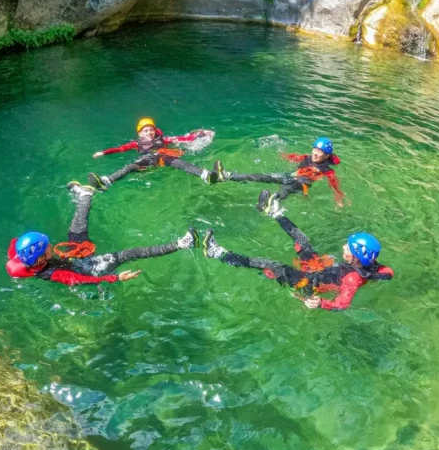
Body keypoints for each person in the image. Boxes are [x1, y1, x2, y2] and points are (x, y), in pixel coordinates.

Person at [202, 192, 392, 310]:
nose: (343, 246)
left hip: (309, 282)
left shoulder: (353, 279)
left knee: (273, 265)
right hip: (321, 269)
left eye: (348, 247)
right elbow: (387, 272)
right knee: (303, 242)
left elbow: (343, 303)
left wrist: (321, 303)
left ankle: (217, 253)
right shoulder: (370, 265)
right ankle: (273, 211)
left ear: (356, 256)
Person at [7, 183, 197, 285]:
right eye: (47, 247)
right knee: (127, 254)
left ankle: (85, 195)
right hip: (89, 268)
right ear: (40, 259)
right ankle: (182, 244)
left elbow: (15, 243)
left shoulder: (23, 258)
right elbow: (80, 279)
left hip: (74, 258)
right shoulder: (55, 274)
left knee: (76, 231)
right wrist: (114, 278)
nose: (50, 245)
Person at [89, 117, 218, 190]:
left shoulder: (164, 140)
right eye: (145, 131)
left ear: (155, 131)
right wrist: (104, 152)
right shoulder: (135, 144)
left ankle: (205, 175)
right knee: (130, 167)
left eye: (151, 130)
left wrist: (199, 134)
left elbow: (182, 139)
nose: (149, 133)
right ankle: (106, 181)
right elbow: (120, 149)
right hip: (147, 163)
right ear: (140, 133)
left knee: (180, 163)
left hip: (163, 159)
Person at [214, 137, 345, 208]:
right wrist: (281, 152)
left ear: (327, 156)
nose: (315, 153)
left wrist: (338, 197)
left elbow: (334, 183)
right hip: (289, 176)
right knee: (263, 177)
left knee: (283, 192)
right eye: (315, 149)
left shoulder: (327, 170)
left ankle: (270, 205)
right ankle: (227, 175)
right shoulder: (307, 157)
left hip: (300, 184)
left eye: (320, 151)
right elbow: (293, 157)